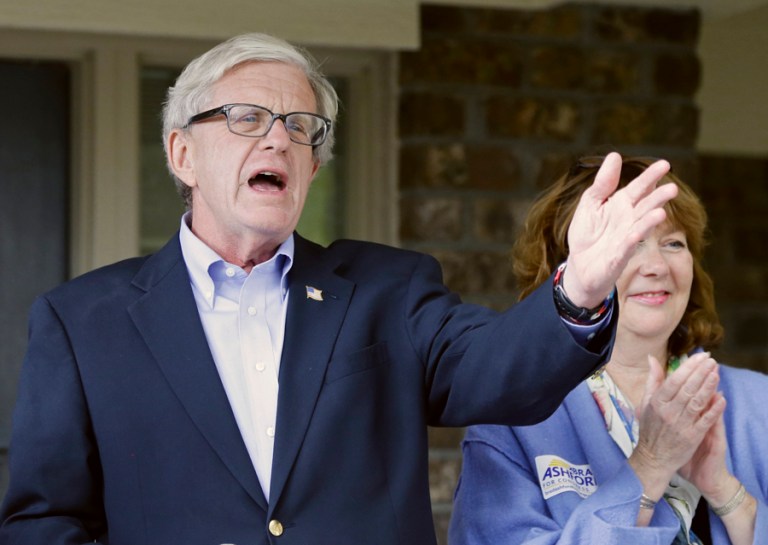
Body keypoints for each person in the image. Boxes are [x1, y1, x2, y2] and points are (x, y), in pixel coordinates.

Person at [0, 32, 677, 545]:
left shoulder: (388, 290)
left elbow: (499, 369)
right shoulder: (82, 320)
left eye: (301, 128)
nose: (279, 140)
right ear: (183, 154)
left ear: (313, 169)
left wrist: (580, 284)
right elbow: (43, 520)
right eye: (247, 118)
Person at [448, 156, 768, 545]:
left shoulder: (759, 402)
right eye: (630, 244)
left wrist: (728, 495)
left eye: (673, 243)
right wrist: (650, 466)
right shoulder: (510, 418)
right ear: (571, 268)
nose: (656, 266)